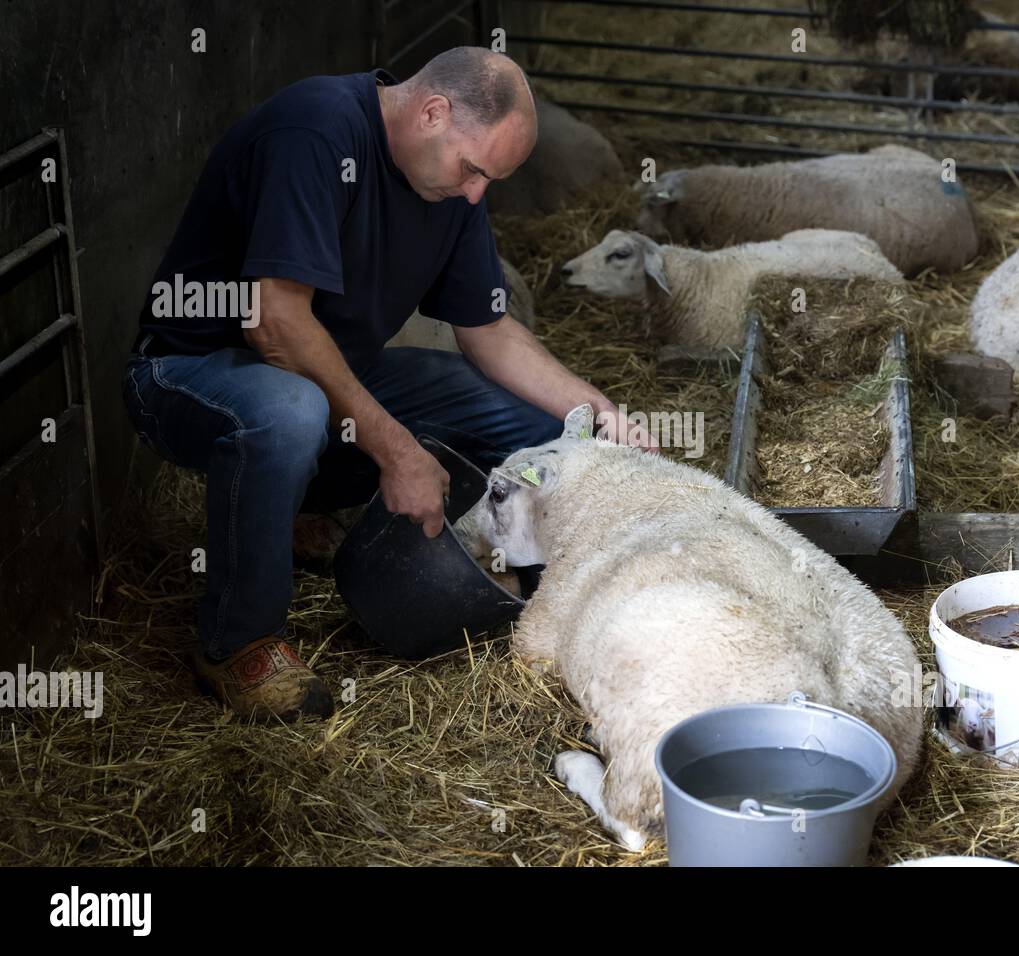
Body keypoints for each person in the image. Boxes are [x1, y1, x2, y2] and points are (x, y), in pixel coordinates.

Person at [122, 47, 655, 722]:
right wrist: (400, 452)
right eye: (473, 170)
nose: (476, 194)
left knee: (545, 429)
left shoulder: (454, 185)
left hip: (329, 379)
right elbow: (275, 323)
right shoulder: (315, 131)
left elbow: (488, 329)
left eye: (491, 179)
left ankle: (557, 582)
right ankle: (238, 642)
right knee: (290, 412)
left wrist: (596, 411)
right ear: (432, 112)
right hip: (192, 372)